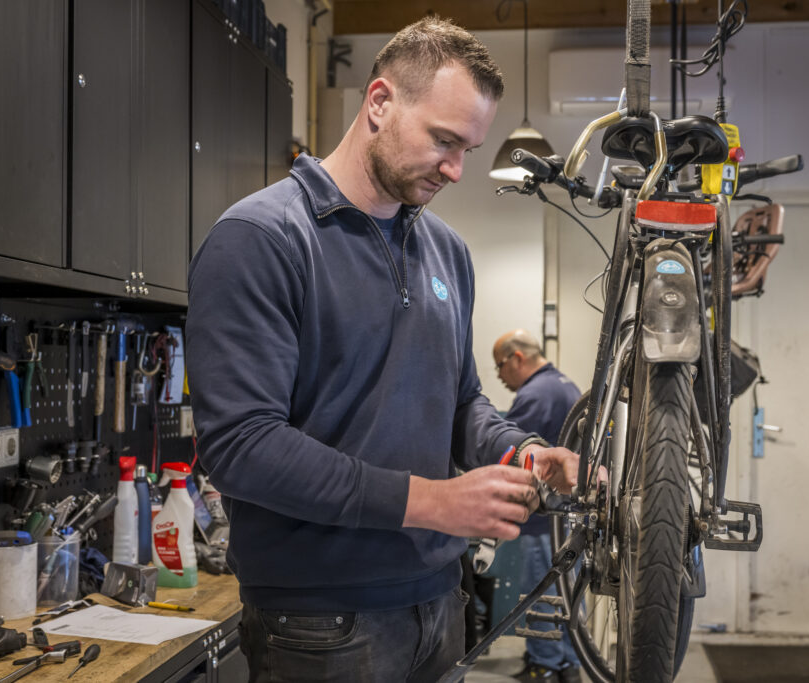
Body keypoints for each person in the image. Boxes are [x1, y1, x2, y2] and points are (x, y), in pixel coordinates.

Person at [186, 17, 581, 683]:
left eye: (469, 149)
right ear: (378, 103)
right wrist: (432, 501)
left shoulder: (446, 251)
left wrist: (521, 452)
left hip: (438, 601)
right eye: (444, 141)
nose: (456, 169)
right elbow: (242, 445)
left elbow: (460, 404)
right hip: (318, 623)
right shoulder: (261, 238)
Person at [493, 329, 583, 683]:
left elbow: (512, 456)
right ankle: (568, 663)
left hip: (542, 520)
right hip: (567, 520)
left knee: (539, 593)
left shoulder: (534, 394)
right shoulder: (565, 385)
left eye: (500, 366)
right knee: (568, 594)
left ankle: (543, 665)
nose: (500, 376)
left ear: (517, 358)